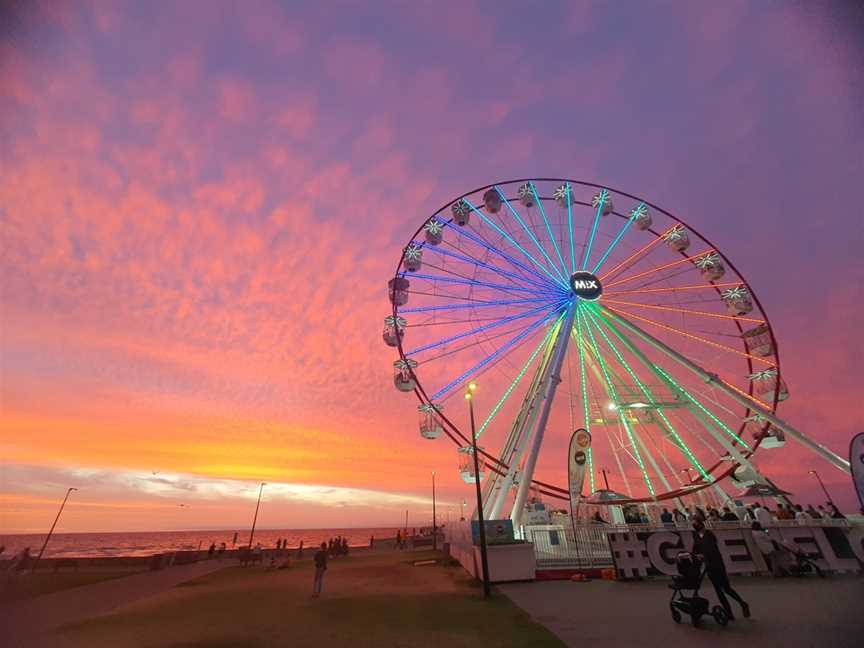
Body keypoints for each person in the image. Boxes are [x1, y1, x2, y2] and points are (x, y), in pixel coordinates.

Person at [692, 520, 750, 620]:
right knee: (720, 591)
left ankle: (741, 604)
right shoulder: (697, 536)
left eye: (696, 524)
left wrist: (702, 556)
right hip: (709, 566)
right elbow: (696, 549)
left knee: (725, 589)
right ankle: (731, 611)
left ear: (701, 524)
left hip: (717, 565)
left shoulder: (709, 535)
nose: (695, 526)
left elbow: (711, 549)